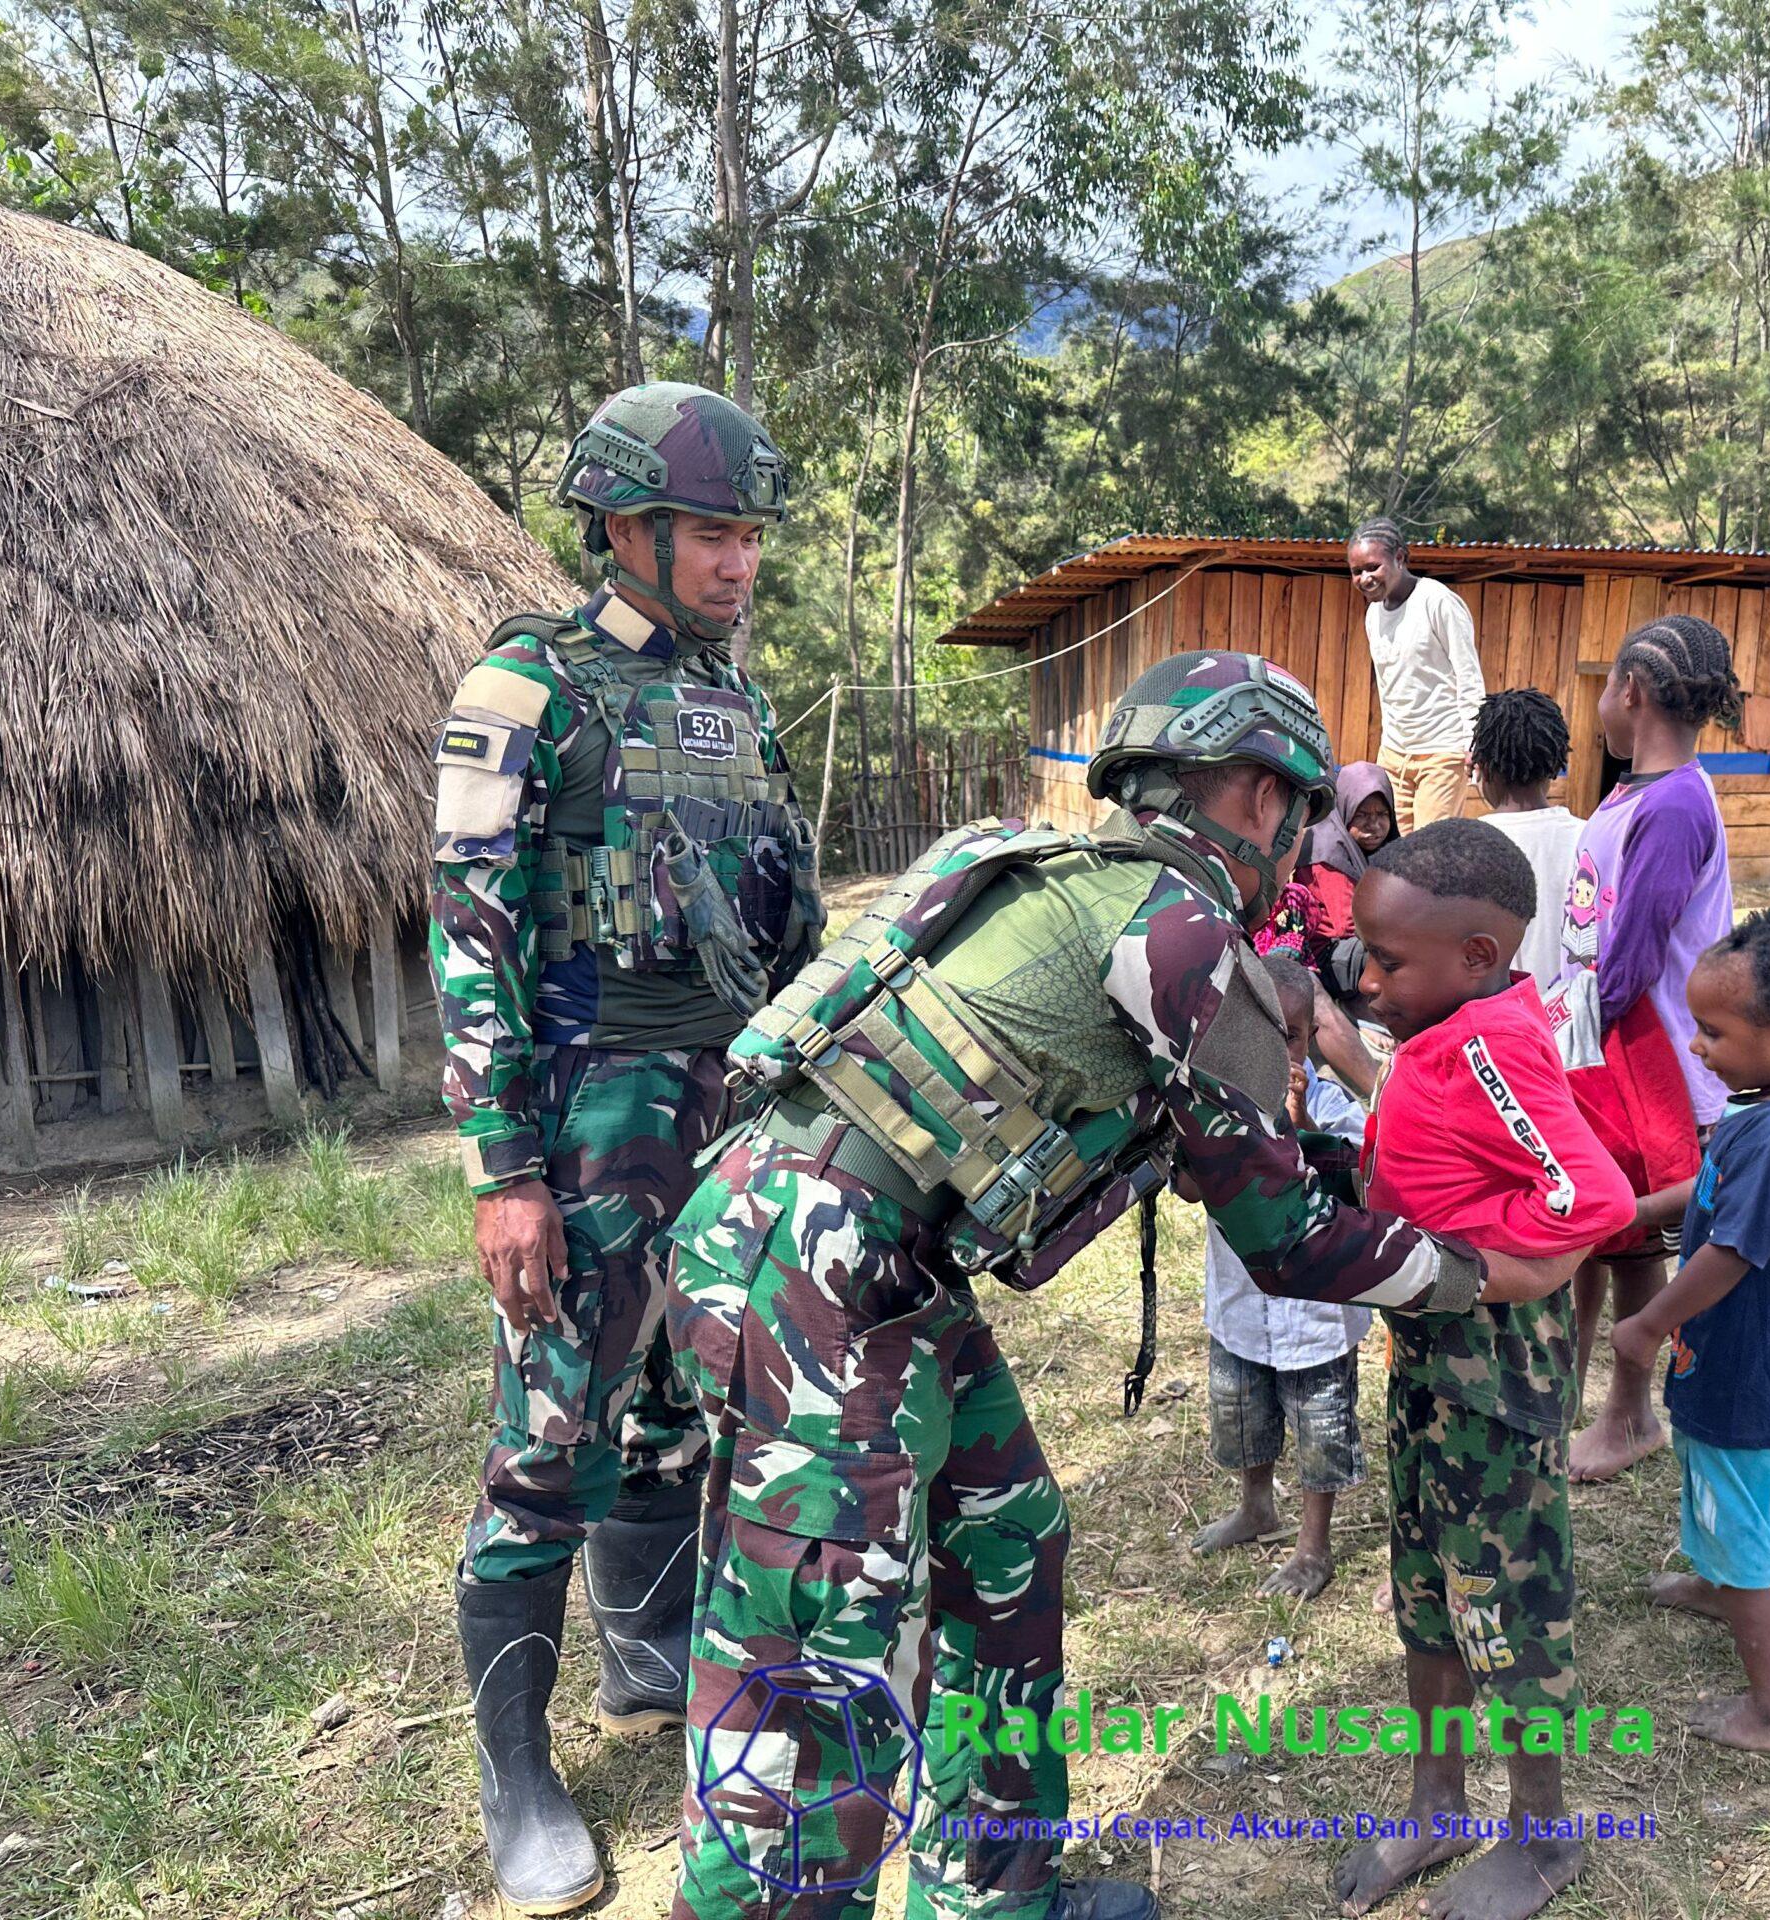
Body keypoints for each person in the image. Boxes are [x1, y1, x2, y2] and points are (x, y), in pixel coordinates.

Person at [660, 653, 1575, 1920]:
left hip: (860, 1255)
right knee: (815, 1658)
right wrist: (1472, 1271)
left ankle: (995, 1891)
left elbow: (1219, 1155)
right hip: (812, 1270)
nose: (1299, 852)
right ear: (1261, 795)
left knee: (1005, 1537)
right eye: (1301, 814)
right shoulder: (1180, 931)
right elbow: (1290, 1241)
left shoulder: (1054, 869)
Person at [430, 381, 824, 1915]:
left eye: (750, 535)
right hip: (589, 1111)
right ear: (623, 529)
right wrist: (503, 1169)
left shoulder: (740, 702)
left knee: (676, 1403)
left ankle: (646, 1655)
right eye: (712, 533)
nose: (740, 562)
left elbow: (785, 918)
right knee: (551, 1433)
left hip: (730, 1104)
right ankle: (515, 1774)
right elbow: (471, 936)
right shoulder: (524, 687)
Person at [1329, 818, 1635, 1920]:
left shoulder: (1491, 1046)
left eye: (1387, 961)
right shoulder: (1443, 1031)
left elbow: (1590, 1198)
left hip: (1490, 1372)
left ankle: (1544, 1837)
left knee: (1508, 1602)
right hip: (1428, 1358)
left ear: (1476, 956)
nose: (1367, 980)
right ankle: (1438, 1803)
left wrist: (1485, 1264)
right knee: (1428, 1586)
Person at [1612, 911, 1770, 1755]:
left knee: (1737, 1512)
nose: (1696, 1047)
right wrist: (1642, 1208)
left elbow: (1730, 1250)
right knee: (1716, 1483)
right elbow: (1716, 1187)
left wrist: (1648, 1322)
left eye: (1713, 1033)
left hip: (1752, 1364)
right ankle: (1721, 1587)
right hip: (1740, 1353)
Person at [1558, 614, 1740, 1484]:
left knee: (1633, 1238)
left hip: (1647, 1056)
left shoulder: (1673, 807)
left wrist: (1562, 1027)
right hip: (1610, 1045)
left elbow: (1628, 957)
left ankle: (1629, 1415)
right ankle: (1597, 1397)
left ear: (1630, 690)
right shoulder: (1639, 793)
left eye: (1605, 687)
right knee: (1612, 1231)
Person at [1192, 953, 1373, 1599]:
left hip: (1315, 1312)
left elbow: (1350, 1179)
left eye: (1291, 1036)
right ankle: (1256, 1506)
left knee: (1321, 1426)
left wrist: (1297, 1125)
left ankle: (1313, 1545)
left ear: (1311, 1040)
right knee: (1241, 1411)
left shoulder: (1329, 1102)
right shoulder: (1213, 1104)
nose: (1275, 1050)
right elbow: (1188, 1185)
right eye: (1257, 1033)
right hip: (1240, 1301)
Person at [1348, 519, 1483, 833]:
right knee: (1395, 851)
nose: (1365, 578)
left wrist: (1475, 741)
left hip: (1442, 753)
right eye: (1357, 571)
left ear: (1399, 558)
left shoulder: (1437, 602)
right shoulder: (1373, 614)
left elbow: (1469, 676)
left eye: (1373, 567)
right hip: (1394, 756)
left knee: (1429, 851)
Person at [1467, 689, 1582, 980]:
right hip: (1575, 1004)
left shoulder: (1467, 846)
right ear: (1555, 763)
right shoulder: (1590, 836)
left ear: (1484, 767)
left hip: (1499, 1007)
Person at [1283, 760, 1398, 996]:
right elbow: (1345, 926)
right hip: (1328, 956)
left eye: (1382, 814)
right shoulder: (1328, 853)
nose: (1374, 825)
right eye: (1362, 815)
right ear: (1345, 808)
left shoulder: (1373, 848)